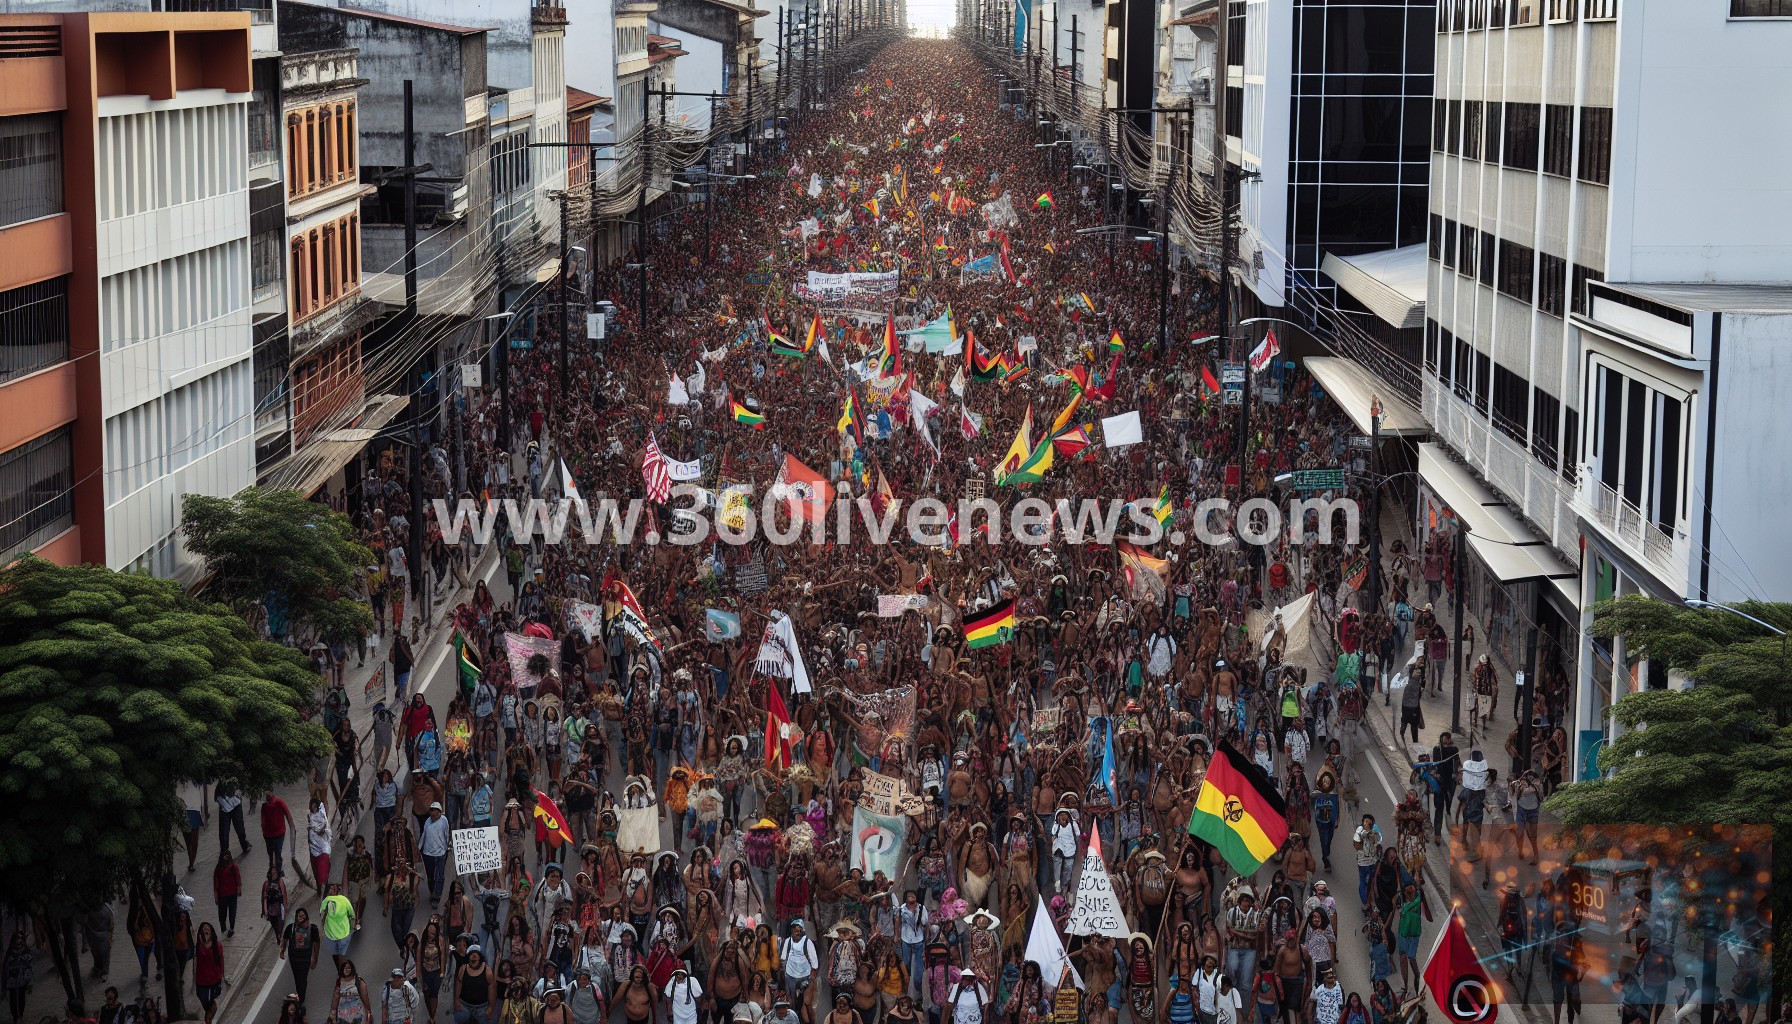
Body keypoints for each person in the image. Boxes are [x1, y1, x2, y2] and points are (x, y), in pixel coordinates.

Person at [281, 907, 320, 1005]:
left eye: (303, 916)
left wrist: (315, 959)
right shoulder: (291, 927)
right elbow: (285, 940)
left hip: (305, 958)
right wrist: (282, 951)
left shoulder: (313, 928)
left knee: (303, 978)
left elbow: (316, 945)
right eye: (299, 916)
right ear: (296, 917)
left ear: (307, 916)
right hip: (294, 958)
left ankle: (300, 999)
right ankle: (299, 994)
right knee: (297, 978)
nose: (301, 918)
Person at [321, 881, 359, 970]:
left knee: (341, 954)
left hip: (344, 932)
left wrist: (353, 927)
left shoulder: (344, 900)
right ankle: (342, 970)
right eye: (331, 887)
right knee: (336, 955)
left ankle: (345, 971)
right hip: (331, 933)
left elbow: (352, 915)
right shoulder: (326, 902)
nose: (333, 889)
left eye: (335, 887)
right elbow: (322, 916)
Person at [332, 959, 372, 1024]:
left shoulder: (358, 980)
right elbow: (335, 998)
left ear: (352, 968)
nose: (346, 970)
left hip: (358, 1015)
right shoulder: (339, 981)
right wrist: (332, 1013)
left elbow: (365, 998)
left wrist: (369, 1013)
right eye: (344, 968)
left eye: (348, 968)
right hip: (343, 1016)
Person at [4, 932, 32, 1024]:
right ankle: (16, 1018)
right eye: (17, 938)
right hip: (13, 979)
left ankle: (20, 1016)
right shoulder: (10, 951)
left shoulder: (26, 950)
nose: (18, 940)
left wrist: (29, 980)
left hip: (23, 979)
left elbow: (29, 964)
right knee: (13, 999)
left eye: (20, 938)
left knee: (21, 998)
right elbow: (5, 966)